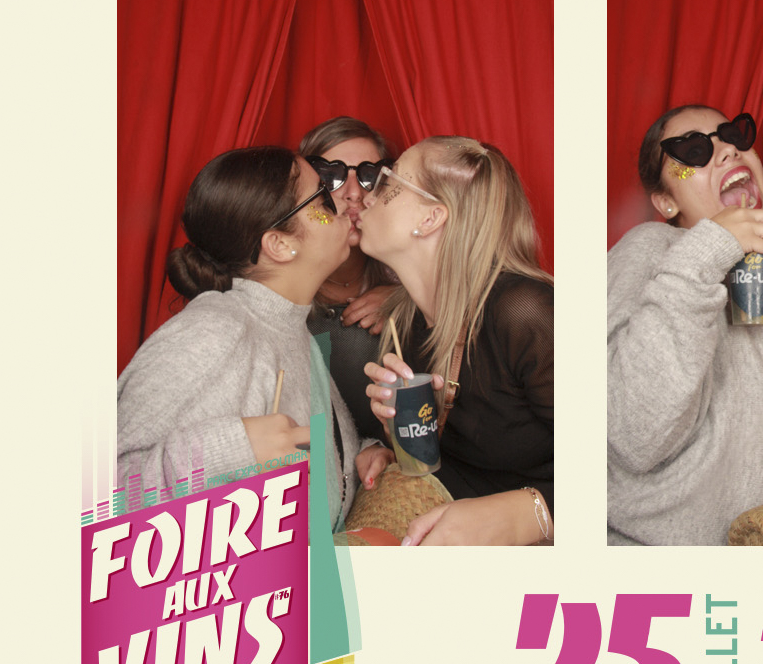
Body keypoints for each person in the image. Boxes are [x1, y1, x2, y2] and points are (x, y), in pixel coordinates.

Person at [116, 146, 390, 530]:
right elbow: (101, 496)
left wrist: (360, 455)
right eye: (322, 200)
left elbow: (305, 451)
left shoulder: (291, 327)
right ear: (279, 244)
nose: (344, 203)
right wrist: (232, 450)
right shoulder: (211, 332)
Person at [608, 105, 763, 546]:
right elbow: (634, 434)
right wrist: (711, 246)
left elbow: (754, 407)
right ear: (666, 202)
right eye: (693, 149)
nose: (728, 150)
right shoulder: (651, 249)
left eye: (733, 135)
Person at [359, 137, 554, 545]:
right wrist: (396, 440)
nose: (367, 194)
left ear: (431, 217)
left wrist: (526, 515)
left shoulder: (525, 311)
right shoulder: (405, 321)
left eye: (388, 181)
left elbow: (618, 466)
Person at [299, 116, 396, 441]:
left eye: (369, 176)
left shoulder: (402, 274)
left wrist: (405, 297)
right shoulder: (282, 279)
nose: (354, 193)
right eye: (331, 176)